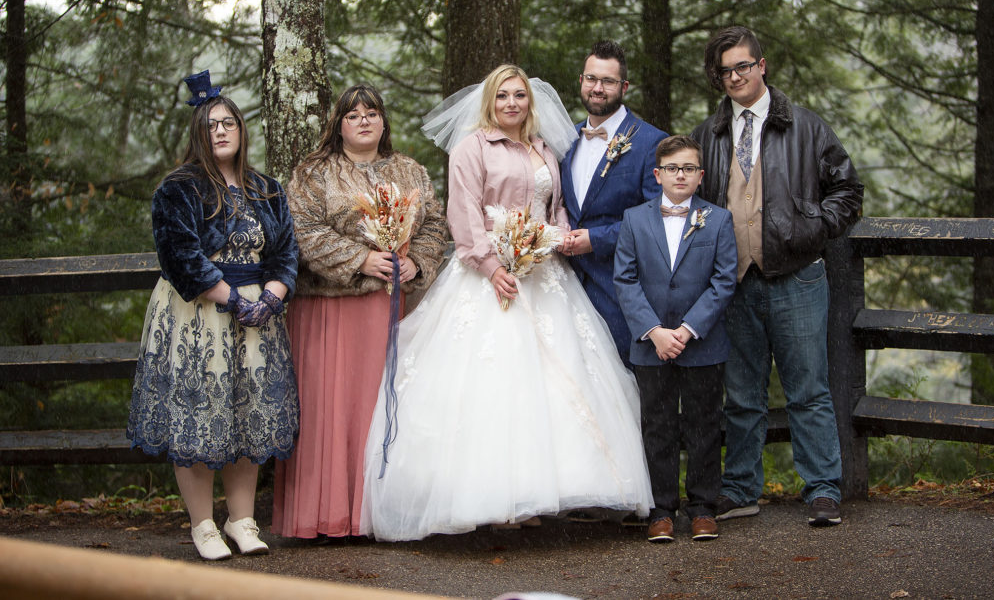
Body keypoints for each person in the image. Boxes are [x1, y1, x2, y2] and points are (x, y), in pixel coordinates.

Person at [360, 64, 653, 541]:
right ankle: (492, 497)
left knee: (558, 382)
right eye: (502, 97)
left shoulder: (543, 148)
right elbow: (464, 215)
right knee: (494, 386)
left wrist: (551, 238)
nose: (512, 104)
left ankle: (540, 493)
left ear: (530, 103)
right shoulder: (471, 148)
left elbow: (554, 205)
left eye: (519, 96)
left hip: (544, 273)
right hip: (487, 274)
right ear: (490, 103)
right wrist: (493, 267)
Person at [691, 26, 863, 526]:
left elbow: (847, 191)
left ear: (762, 66)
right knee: (742, 395)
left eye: (743, 66)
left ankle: (823, 490)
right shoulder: (710, 134)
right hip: (734, 284)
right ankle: (741, 487)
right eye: (725, 71)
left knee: (808, 389)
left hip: (798, 277)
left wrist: (813, 229)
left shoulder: (807, 128)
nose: (735, 77)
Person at [127, 70, 300, 560]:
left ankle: (242, 520)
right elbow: (180, 256)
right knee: (200, 416)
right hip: (199, 313)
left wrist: (270, 296)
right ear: (198, 134)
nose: (220, 131)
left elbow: (286, 251)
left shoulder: (266, 188)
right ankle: (203, 525)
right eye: (210, 124)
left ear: (242, 130)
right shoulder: (178, 188)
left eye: (228, 123)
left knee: (249, 413)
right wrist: (232, 298)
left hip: (258, 318)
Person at [272, 84, 447, 540]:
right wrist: (360, 260)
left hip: (396, 304)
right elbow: (302, 230)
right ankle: (329, 512)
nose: (364, 120)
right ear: (339, 125)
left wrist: (416, 261)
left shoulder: (410, 170)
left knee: (388, 403)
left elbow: (433, 223)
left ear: (384, 122)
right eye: (353, 115)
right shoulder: (315, 172)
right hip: (332, 309)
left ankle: (384, 512)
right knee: (336, 407)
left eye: (372, 113)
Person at [614, 135, 737, 543]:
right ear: (657, 174)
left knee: (704, 425)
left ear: (700, 176)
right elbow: (625, 280)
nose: (679, 175)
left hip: (701, 342)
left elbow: (723, 281)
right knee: (658, 426)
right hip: (651, 344)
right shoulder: (634, 219)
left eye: (687, 168)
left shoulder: (718, 219)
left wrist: (685, 330)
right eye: (671, 168)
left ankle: (703, 507)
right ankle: (661, 510)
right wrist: (655, 332)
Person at [560, 40, 668, 367]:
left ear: (624, 87)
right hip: (564, 286)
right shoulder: (564, 139)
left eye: (607, 81)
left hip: (619, 288)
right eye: (591, 79)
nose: (598, 88)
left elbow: (658, 219)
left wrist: (597, 239)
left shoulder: (652, 142)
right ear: (581, 81)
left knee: (621, 386)